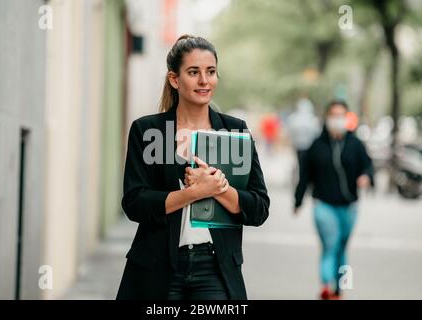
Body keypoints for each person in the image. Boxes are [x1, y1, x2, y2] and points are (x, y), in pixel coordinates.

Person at [116, 35, 270, 300]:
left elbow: (258, 208)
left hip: (215, 269)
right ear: (175, 79)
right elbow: (134, 202)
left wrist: (218, 188)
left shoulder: (234, 131)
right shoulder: (149, 131)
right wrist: (194, 193)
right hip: (156, 267)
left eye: (210, 72)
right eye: (193, 72)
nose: (204, 81)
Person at [294, 100, 373, 300]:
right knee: (331, 244)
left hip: (349, 207)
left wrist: (366, 177)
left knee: (342, 248)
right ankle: (327, 286)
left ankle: (342, 288)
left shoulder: (355, 145)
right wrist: (298, 201)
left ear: (347, 118)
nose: (337, 119)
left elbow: (368, 166)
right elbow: (305, 176)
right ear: (327, 118)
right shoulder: (316, 146)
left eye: (341, 115)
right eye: (333, 115)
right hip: (324, 205)